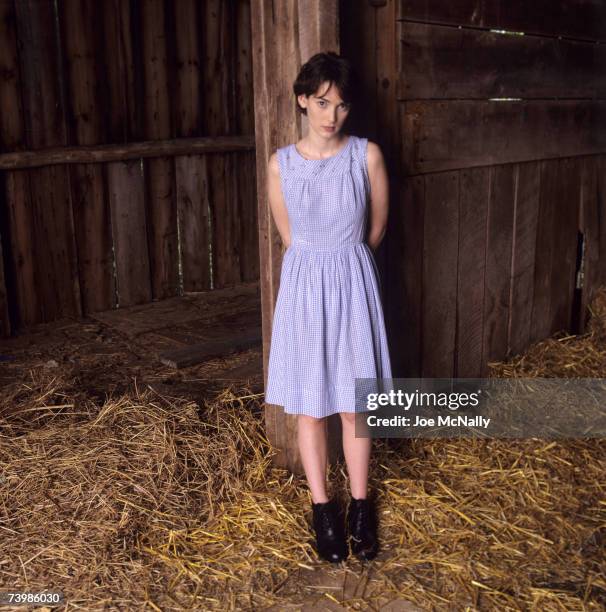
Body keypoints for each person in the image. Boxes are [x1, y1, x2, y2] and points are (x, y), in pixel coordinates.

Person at [264, 52, 392, 563]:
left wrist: (346, 265)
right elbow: (289, 235)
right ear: (302, 100)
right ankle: (323, 508)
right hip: (304, 289)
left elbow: (375, 230)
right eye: (321, 102)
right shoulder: (281, 164)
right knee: (310, 406)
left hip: (353, 283)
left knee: (354, 404)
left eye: (339, 105)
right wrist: (319, 268)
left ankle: (361, 506)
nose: (330, 115)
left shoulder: (367, 156)